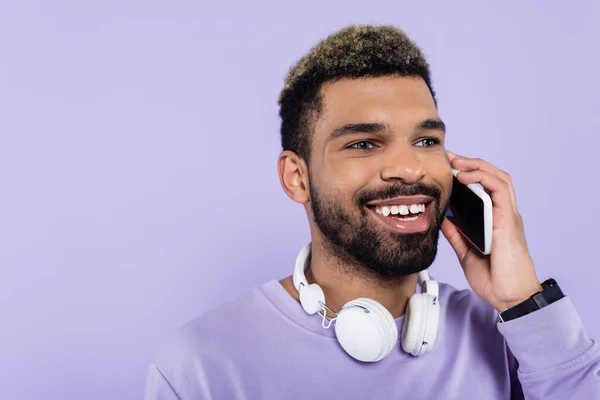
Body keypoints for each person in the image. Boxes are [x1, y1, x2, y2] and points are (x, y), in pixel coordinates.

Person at [144, 25, 600, 399]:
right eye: (363, 143)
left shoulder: (510, 336)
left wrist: (523, 302)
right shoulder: (202, 364)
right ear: (296, 177)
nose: (408, 167)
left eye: (426, 141)